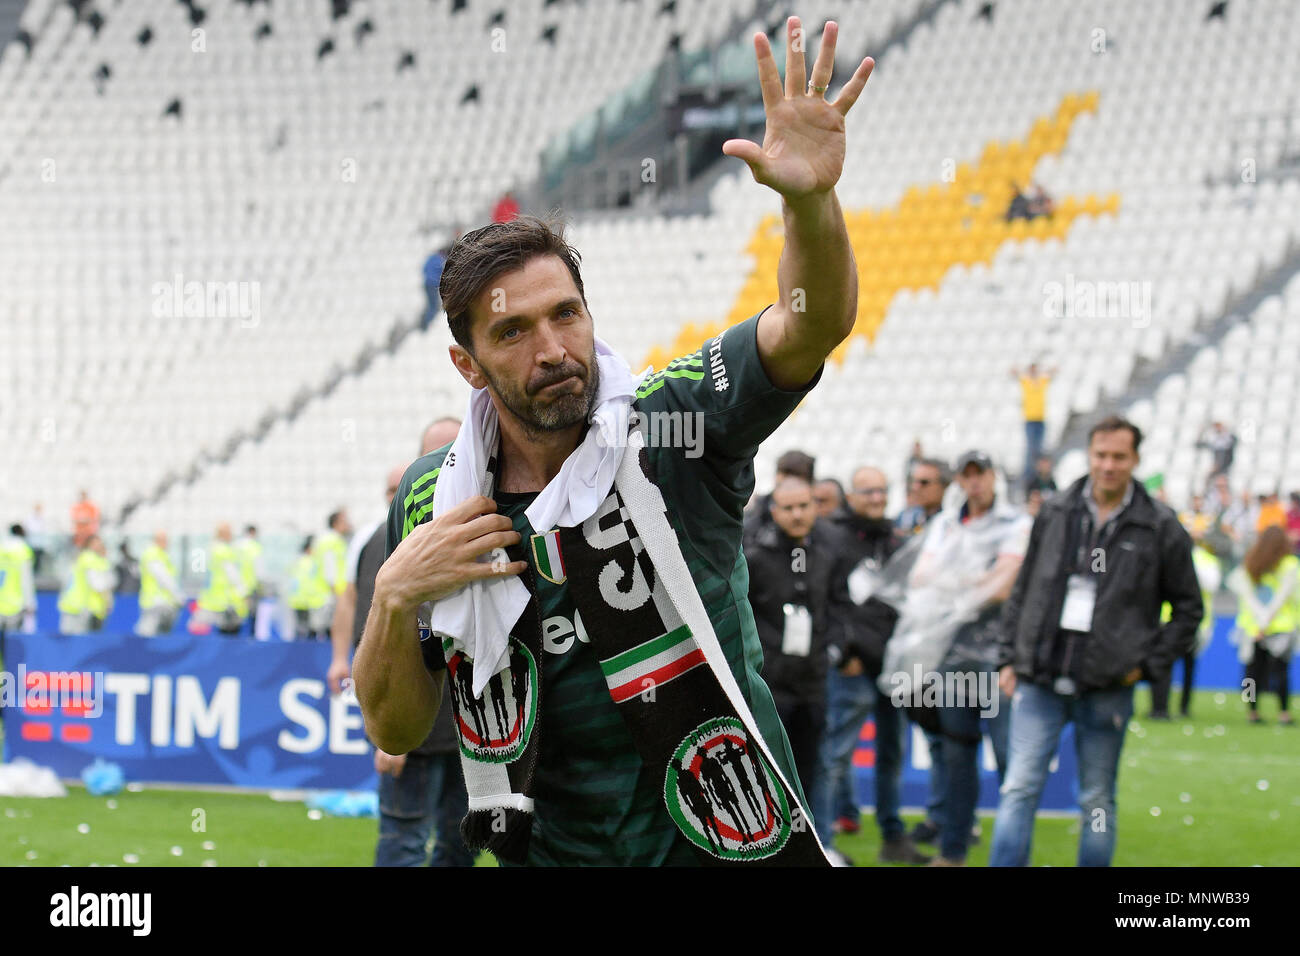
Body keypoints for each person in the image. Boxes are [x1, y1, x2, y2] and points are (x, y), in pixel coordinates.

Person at [353, 16, 875, 867]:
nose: (554, 349)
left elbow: (807, 330)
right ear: (468, 364)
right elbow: (397, 725)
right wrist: (393, 598)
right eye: (514, 332)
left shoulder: (670, 429)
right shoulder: (431, 500)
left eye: (566, 314)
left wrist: (808, 200)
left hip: (723, 847)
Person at [990, 416, 1202, 867]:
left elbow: (1189, 609)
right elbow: (1024, 588)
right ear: (1089, 455)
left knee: (1097, 802)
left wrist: (1145, 665)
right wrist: (1008, 657)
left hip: (1108, 687)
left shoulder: (1160, 525)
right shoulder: (1056, 510)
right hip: (1039, 678)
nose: (1108, 465)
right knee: (1018, 789)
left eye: (1118, 457)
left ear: (1135, 459)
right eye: (1100, 455)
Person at [889, 450, 1029, 866]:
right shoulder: (946, 524)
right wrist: (974, 579)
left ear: (993, 477)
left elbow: (1003, 586)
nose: (975, 483)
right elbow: (918, 578)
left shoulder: (1017, 522)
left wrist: (952, 583)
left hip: (1000, 658)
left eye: (980, 474)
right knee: (957, 754)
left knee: (1009, 760)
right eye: (967, 475)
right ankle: (953, 852)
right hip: (952, 656)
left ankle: (1011, 855)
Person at [816, 466, 928, 864]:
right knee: (834, 757)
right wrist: (843, 654)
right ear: (852, 494)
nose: (877, 498)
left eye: (882, 490)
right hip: (854, 668)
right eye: (868, 491)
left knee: (891, 754)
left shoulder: (893, 539)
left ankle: (893, 836)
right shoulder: (832, 537)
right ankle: (822, 842)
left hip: (892, 667)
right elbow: (825, 601)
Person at [743, 477, 845, 807]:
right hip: (770, 684)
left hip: (813, 681)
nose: (797, 514)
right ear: (774, 511)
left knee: (812, 771)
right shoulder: (756, 556)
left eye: (804, 506)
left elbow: (840, 606)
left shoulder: (828, 553)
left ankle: (817, 847)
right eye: (788, 508)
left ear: (815, 507)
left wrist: (834, 648)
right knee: (768, 774)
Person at [1225, 526, 1295, 725]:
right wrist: (1265, 622)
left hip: (1253, 627)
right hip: (1279, 627)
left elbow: (1247, 596)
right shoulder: (1288, 565)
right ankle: (1283, 712)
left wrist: (1259, 624)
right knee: (1280, 672)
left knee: (1251, 674)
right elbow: (1282, 598)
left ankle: (1252, 712)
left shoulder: (1250, 563)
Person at [1148, 542, 1221, 719]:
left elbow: (1211, 585)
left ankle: (1182, 707)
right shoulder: (1167, 554)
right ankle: (1160, 707)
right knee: (1166, 664)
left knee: (1186, 666)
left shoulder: (1205, 561)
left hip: (1189, 622)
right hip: (1168, 619)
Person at [192, 523, 249, 635]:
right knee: (229, 637)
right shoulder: (224, 551)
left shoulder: (210, 549)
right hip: (225, 602)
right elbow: (232, 574)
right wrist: (243, 591)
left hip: (210, 600)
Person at [58, 534, 114, 634]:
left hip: (71, 603)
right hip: (83, 607)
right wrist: (108, 602)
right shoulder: (91, 559)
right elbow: (98, 585)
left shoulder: (80, 558)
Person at [1010, 363, 1054, 487]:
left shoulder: (1041, 381)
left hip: (1040, 420)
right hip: (1030, 420)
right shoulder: (1027, 382)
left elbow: (1051, 373)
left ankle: (1039, 476)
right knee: (1031, 450)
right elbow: (1016, 374)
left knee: (1039, 450)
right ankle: (1030, 478)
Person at [135, 531, 184, 637]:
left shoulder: (158, 554)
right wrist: (178, 596)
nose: (168, 543)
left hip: (157, 602)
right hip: (157, 602)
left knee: (154, 636)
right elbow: (164, 578)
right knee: (148, 636)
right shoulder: (153, 554)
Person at [287, 537, 330, 640]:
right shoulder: (314, 562)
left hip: (296, 599)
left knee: (300, 628)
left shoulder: (296, 561)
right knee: (312, 629)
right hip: (311, 600)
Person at [895, 458, 949, 536]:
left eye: (924, 482)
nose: (915, 488)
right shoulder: (917, 519)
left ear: (943, 486)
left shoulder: (952, 525)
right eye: (914, 481)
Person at [0, 525, 37, 636]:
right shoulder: (24, 551)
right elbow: (26, 579)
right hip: (15, 603)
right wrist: (30, 603)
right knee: (12, 644)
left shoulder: (1, 548)